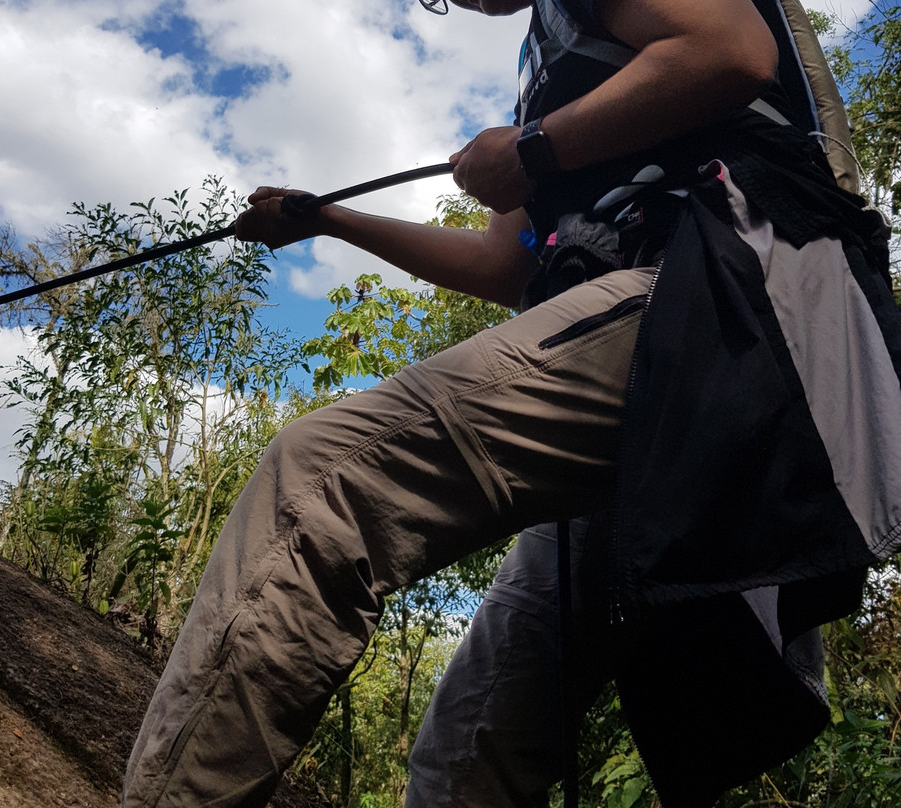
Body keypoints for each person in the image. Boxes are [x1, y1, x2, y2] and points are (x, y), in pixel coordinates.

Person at [120, 0, 901, 805]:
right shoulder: (556, 69)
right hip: (648, 365)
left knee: (322, 482)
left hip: (727, 308)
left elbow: (730, 51)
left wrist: (532, 149)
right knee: (473, 748)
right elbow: (503, 263)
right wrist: (332, 221)